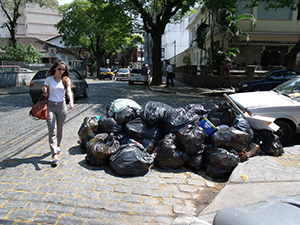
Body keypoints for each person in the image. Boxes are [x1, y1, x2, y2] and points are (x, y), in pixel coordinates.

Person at [42, 60, 74, 166]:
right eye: (59, 69)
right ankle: (54, 154)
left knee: (60, 128)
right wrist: (44, 91)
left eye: (63, 69)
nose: (61, 71)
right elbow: (45, 93)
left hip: (62, 106)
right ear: (55, 68)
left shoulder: (65, 79)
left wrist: (71, 101)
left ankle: (58, 145)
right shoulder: (49, 79)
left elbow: (69, 91)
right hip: (50, 106)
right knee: (52, 129)